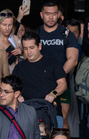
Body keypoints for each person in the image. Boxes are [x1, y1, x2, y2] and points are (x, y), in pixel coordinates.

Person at [35, 0, 79, 129]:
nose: (50, 17)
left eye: (54, 14)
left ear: (59, 14)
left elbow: (73, 59)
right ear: (41, 14)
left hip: (62, 82)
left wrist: (57, 76)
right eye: (47, 13)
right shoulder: (36, 34)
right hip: (39, 83)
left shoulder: (67, 34)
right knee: (40, 119)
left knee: (63, 118)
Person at [12, 31, 67, 127]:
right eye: (25, 49)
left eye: (32, 48)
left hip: (52, 112)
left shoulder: (52, 62)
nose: (28, 52)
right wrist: (18, 96)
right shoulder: (19, 68)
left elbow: (63, 84)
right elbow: (13, 88)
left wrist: (53, 93)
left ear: (39, 46)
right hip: (27, 113)